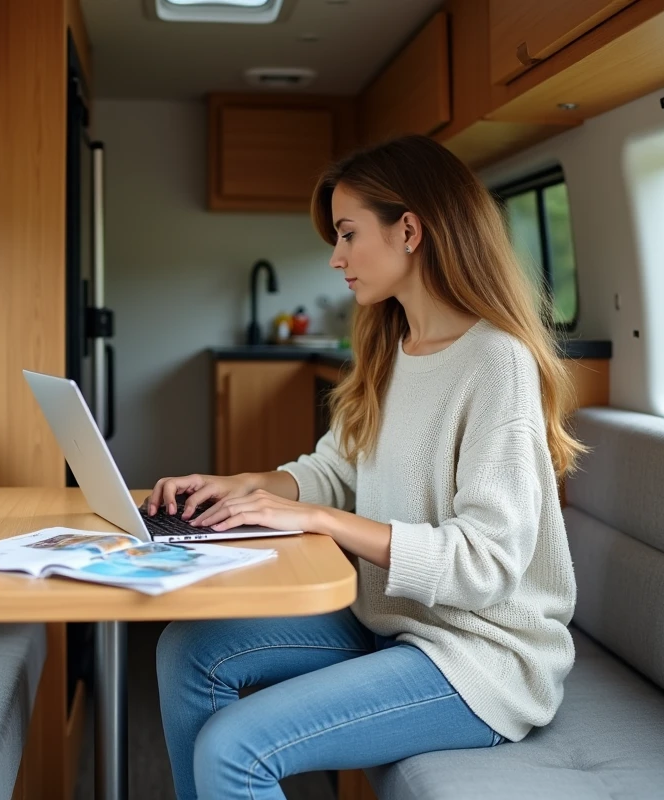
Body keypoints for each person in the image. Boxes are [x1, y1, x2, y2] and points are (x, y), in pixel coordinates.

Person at [147, 134, 584, 800]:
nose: (335, 258)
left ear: (408, 229)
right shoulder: (393, 346)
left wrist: (318, 518)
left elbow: (488, 564)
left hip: (479, 656)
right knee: (187, 652)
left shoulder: (496, 362)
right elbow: (336, 468)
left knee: (234, 750)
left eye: (348, 234)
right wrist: (242, 485)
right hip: (392, 617)